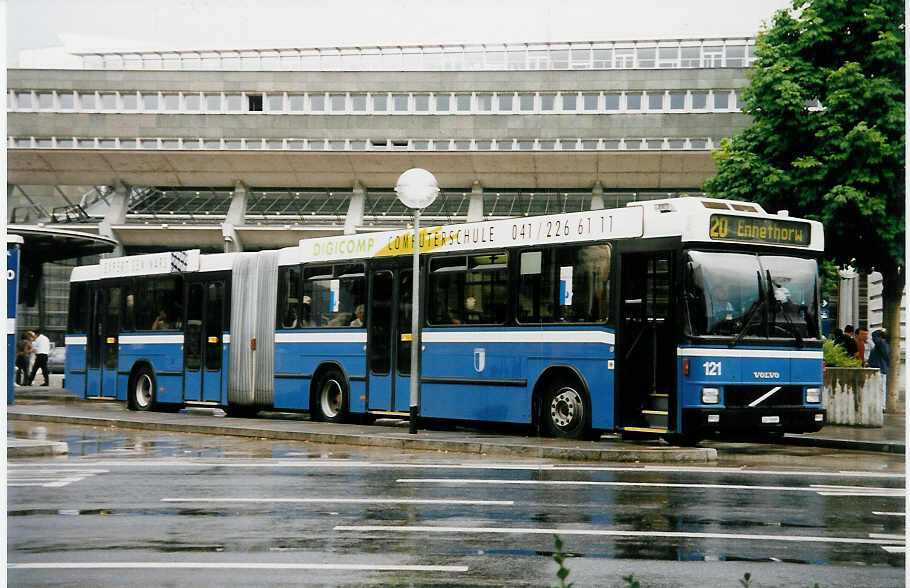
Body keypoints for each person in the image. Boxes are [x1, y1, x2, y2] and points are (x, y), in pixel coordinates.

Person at [867, 329, 891, 412]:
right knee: (881, 389)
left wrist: (881, 331)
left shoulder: (882, 344)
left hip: (879, 370)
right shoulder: (883, 345)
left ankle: (881, 406)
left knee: (880, 389)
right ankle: (881, 406)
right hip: (880, 369)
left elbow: (874, 335)